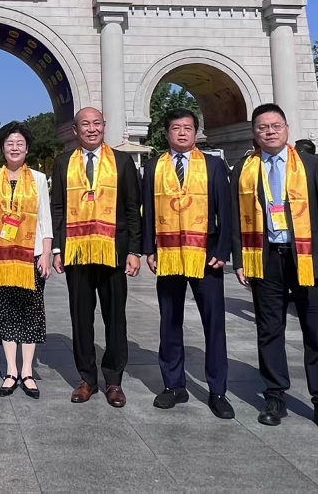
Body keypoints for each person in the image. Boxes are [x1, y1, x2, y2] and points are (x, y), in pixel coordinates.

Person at [233, 104, 318, 436]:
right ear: (254, 133)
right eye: (262, 127)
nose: (269, 131)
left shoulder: (310, 165)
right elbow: (235, 217)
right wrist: (239, 260)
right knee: (269, 329)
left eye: (275, 126)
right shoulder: (245, 168)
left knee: (317, 331)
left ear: (286, 129)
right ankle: (275, 396)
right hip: (265, 257)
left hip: (306, 258)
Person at [142, 109, 235, 419]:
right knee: (169, 321)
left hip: (205, 254)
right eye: (176, 128)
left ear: (196, 133)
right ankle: (173, 385)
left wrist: (222, 250)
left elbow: (225, 209)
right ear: (166, 133)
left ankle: (217, 390)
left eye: (188, 128)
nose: (182, 133)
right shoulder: (154, 166)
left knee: (214, 323)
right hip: (168, 252)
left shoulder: (213, 164)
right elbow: (148, 210)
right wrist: (149, 249)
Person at [50, 107, 142, 407]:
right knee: (80, 317)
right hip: (77, 251)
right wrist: (58, 249)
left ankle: (114, 380)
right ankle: (86, 378)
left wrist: (134, 250)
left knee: (115, 317)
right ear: (75, 130)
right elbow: (57, 208)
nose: (91, 129)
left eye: (96, 123)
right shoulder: (63, 162)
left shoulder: (122, 161)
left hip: (113, 249)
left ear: (104, 125)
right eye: (85, 124)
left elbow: (133, 207)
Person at [0, 121, 52, 400]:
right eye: (9, 143)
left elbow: (45, 218)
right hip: (1, 255)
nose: (14, 148)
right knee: (6, 310)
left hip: (31, 254)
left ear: (27, 148)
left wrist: (46, 253)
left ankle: (27, 370)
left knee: (30, 310)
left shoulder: (38, 178)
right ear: (2, 148)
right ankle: (11, 370)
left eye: (19, 143)